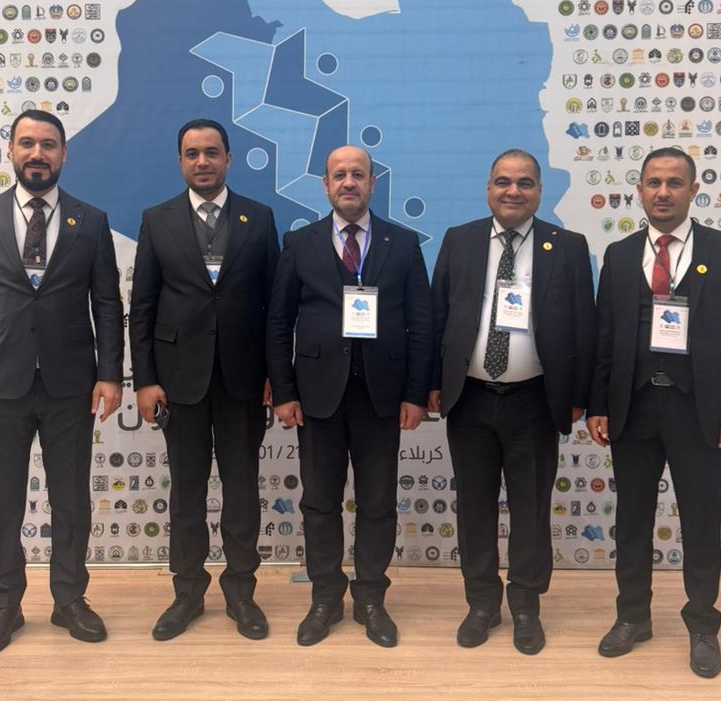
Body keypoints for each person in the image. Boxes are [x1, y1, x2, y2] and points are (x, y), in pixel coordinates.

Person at [0, 109, 124, 657]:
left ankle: (69, 600)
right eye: (27, 143)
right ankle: (5, 604)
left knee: (71, 500)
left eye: (48, 144)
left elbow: (107, 304)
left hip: (71, 384)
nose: (37, 154)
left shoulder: (90, 220)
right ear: (11, 151)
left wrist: (110, 374)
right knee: (3, 500)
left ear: (64, 153)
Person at [587, 148, 721, 678]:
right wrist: (598, 404)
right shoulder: (619, 255)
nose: (663, 192)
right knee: (631, 522)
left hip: (699, 411)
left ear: (693, 190)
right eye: (654, 182)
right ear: (639, 190)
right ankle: (632, 617)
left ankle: (703, 626)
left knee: (701, 522)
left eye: (674, 183)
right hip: (633, 409)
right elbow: (605, 337)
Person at [428, 150, 596, 654]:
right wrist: (430, 384)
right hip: (470, 399)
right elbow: (436, 316)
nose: (513, 191)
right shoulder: (460, 240)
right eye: (503, 181)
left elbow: (584, 327)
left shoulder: (567, 246)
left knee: (531, 509)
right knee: (473, 508)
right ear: (488, 189)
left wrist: (579, 397)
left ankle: (525, 605)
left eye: (524, 183)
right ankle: (482, 603)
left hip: (535, 401)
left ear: (539, 191)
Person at [266, 145, 433, 648]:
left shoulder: (403, 243)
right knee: (319, 502)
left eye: (357, 174)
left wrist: (416, 393)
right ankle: (325, 597)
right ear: (325, 184)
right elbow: (279, 322)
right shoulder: (300, 243)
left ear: (372, 183)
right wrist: (284, 391)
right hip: (317, 396)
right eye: (338, 175)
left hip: (383, 396)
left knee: (378, 503)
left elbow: (421, 323)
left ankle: (370, 598)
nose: (348, 183)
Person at [129, 119, 280, 641]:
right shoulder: (157, 220)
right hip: (178, 381)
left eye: (212, 152)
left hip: (244, 380)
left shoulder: (259, 217)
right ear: (180, 161)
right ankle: (187, 593)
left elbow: (275, 307)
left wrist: (275, 376)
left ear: (228, 159)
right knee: (187, 493)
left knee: (242, 491)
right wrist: (144, 380)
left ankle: (241, 593)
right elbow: (142, 306)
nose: (202, 162)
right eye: (192, 153)